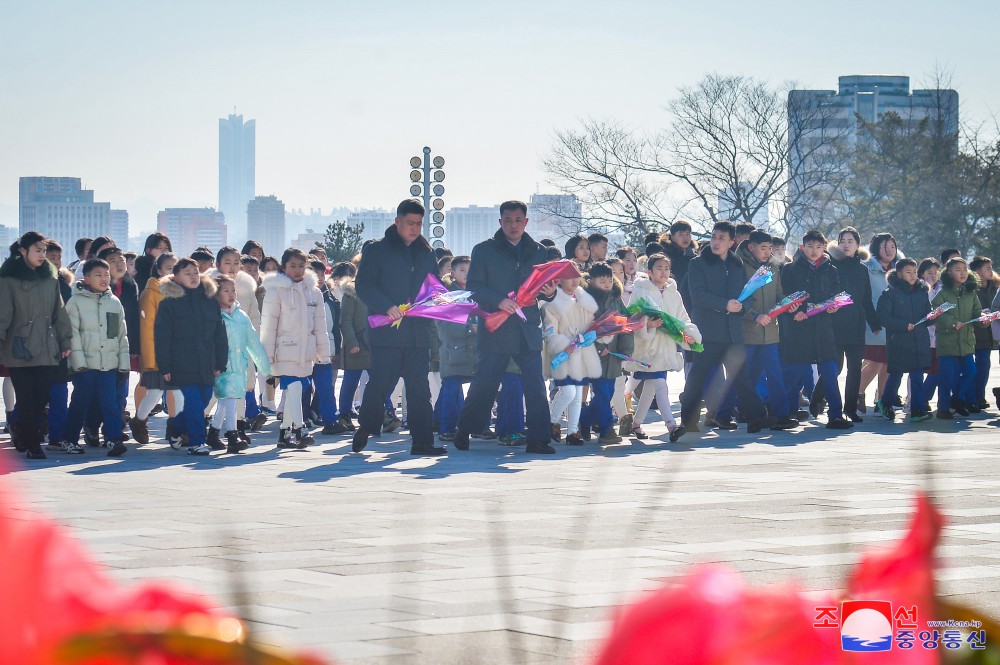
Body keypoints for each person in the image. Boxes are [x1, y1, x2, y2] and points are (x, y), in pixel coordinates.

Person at [453, 200, 559, 454]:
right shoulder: (484, 250)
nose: (513, 225)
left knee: (535, 385)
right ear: (500, 222)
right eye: (508, 220)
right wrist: (499, 300)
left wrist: (551, 292)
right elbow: (474, 287)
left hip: (526, 327)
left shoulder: (537, 251)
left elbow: (544, 291)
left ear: (526, 222)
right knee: (484, 383)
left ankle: (539, 439)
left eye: (518, 220)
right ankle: (464, 431)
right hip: (496, 327)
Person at [350, 200, 441, 455]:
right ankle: (365, 428)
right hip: (387, 333)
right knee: (380, 385)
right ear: (397, 222)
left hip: (417, 333)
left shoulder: (425, 252)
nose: (415, 229)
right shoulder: (378, 251)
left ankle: (423, 442)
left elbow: (434, 286)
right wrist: (386, 305)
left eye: (419, 224)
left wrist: (438, 301)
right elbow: (364, 285)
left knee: (419, 389)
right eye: (410, 223)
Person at [679, 222, 768, 433]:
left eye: (721, 238)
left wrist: (742, 306)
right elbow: (698, 296)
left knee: (741, 376)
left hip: (733, 332)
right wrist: (724, 305)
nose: (716, 242)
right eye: (714, 237)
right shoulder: (698, 264)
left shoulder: (737, 265)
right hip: (708, 331)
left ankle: (756, 418)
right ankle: (688, 421)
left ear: (731, 242)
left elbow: (748, 294)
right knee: (698, 376)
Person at [0, 233, 72, 459]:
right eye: (37, 251)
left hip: (47, 346)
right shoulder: (8, 279)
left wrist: (65, 339)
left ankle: (20, 428)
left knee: (41, 397)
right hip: (19, 347)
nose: (42, 255)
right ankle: (33, 445)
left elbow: (58, 311)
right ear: (23, 251)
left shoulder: (50, 277)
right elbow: (3, 316)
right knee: (26, 398)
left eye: (43, 251)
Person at [155, 258, 228, 455]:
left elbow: (219, 334)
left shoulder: (210, 300)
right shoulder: (169, 304)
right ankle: (197, 442)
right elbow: (161, 337)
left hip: (206, 362)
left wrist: (221, 361)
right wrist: (165, 366)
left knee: (203, 400)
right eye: (187, 273)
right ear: (176, 278)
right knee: (195, 402)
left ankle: (176, 427)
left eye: (195, 272)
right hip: (182, 362)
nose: (193, 277)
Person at [780, 230, 852, 429]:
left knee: (830, 371)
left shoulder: (831, 269)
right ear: (802, 248)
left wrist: (835, 306)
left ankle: (836, 415)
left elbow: (836, 293)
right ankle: (788, 414)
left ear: (824, 248)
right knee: (794, 373)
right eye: (810, 247)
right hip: (799, 328)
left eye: (819, 247)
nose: (814, 251)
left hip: (823, 328)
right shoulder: (790, 269)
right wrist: (793, 311)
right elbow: (784, 296)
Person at [261, 248, 331, 449]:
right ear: (284, 267)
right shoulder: (276, 292)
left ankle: (284, 432)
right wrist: (267, 355)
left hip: (305, 352)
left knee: (297, 389)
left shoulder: (314, 292)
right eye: (293, 266)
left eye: (301, 266)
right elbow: (269, 325)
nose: (298, 270)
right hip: (283, 350)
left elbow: (320, 325)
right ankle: (300, 428)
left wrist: (323, 352)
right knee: (295, 387)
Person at [61, 258, 131, 456]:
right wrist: (79, 363)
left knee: (110, 404)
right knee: (80, 403)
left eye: (106, 274)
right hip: (85, 366)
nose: (104, 278)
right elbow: (72, 334)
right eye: (98, 275)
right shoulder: (76, 301)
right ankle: (70, 439)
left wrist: (122, 364)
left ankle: (113, 439)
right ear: (87, 278)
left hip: (108, 365)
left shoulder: (114, 302)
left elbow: (120, 335)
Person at [625, 254, 697, 442]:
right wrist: (648, 325)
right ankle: (672, 426)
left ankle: (636, 424)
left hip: (665, 347)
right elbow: (631, 318)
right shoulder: (640, 291)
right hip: (646, 346)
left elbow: (683, 316)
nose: (663, 272)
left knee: (651, 387)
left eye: (666, 268)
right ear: (649, 272)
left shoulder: (674, 292)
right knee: (659, 384)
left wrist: (686, 332)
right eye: (659, 268)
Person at [736, 231, 798, 430]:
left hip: (771, 330)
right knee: (748, 375)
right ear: (750, 247)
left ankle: (780, 415)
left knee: (775, 373)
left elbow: (779, 294)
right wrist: (754, 315)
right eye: (763, 248)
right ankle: (741, 409)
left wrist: (788, 304)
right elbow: (738, 298)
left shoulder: (773, 267)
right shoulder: (739, 266)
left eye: (770, 248)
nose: (767, 253)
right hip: (748, 330)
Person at [815, 227, 879, 422]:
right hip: (835, 324)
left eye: (850, 241)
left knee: (854, 368)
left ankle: (850, 409)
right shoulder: (830, 265)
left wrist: (874, 322)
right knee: (835, 367)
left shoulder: (862, 269)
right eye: (842, 241)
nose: (846, 245)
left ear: (858, 245)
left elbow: (866, 298)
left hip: (856, 324)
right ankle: (817, 398)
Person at [209, 274, 270, 454]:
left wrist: (264, 365)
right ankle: (232, 434)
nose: (231, 294)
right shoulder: (214, 316)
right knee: (229, 400)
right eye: (225, 291)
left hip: (240, 366)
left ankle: (213, 432)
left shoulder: (241, 315)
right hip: (222, 366)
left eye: (233, 290)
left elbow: (252, 341)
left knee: (227, 400)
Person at [542, 273, 602, 446]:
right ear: (559, 280)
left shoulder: (584, 301)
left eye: (577, 276)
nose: (574, 280)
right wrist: (561, 344)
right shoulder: (552, 302)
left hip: (581, 352)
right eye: (570, 277)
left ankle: (572, 432)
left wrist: (593, 335)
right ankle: (552, 421)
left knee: (577, 395)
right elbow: (549, 328)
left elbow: (592, 323)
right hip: (564, 354)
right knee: (568, 392)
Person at [130, 252, 181, 445]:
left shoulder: (181, 291)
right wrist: (151, 360)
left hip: (176, 353)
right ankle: (140, 420)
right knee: (156, 392)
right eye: (169, 269)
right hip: (158, 354)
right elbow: (146, 330)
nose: (173, 273)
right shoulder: (151, 293)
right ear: (158, 270)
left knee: (176, 392)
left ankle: (175, 428)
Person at [875, 258, 933, 422]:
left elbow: (927, 314)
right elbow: (883, 317)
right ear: (899, 274)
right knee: (896, 376)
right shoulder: (890, 293)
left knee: (917, 376)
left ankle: (917, 410)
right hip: (899, 341)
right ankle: (885, 403)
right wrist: (902, 325)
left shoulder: (922, 291)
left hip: (919, 340)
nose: (913, 275)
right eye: (908, 272)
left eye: (914, 272)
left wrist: (933, 317)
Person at [931, 257, 981, 419]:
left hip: (966, 342)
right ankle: (943, 408)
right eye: (958, 270)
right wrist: (952, 322)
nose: (962, 273)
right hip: (947, 343)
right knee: (946, 377)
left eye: (965, 270)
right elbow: (936, 313)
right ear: (949, 273)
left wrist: (984, 320)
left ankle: (957, 398)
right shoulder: (943, 293)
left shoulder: (971, 293)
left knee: (971, 372)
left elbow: (977, 314)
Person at [436, 256, 477, 440]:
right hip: (453, 350)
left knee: (479, 390)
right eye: (462, 270)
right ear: (452, 274)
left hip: (473, 350)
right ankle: (447, 427)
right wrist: (469, 328)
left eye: (469, 271)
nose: (466, 275)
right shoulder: (446, 296)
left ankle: (478, 425)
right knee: (451, 389)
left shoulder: (475, 294)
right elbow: (443, 326)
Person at [860, 233, 899, 412]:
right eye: (885, 246)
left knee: (889, 363)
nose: (890, 250)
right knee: (874, 362)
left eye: (892, 246)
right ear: (876, 247)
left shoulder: (897, 270)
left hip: (892, 322)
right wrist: (872, 320)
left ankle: (882, 400)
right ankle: (856, 394)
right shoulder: (867, 268)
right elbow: (864, 298)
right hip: (873, 322)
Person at [970, 256, 997, 411]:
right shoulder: (971, 289)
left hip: (989, 335)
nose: (991, 271)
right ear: (977, 272)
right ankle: (971, 397)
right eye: (987, 268)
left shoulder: (995, 287)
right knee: (972, 369)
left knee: (984, 366)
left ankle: (979, 396)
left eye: (990, 267)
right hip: (974, 334)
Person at [919, 258, 943, 408]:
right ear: (921, 274)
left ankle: (924, 398)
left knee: (937, 369)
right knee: (922, 370)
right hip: (924, 337)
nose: (933, 276)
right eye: (929, 272)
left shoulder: (942, 290)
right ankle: (917, 399)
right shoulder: (919, 290)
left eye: (936, 272)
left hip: (939, 337)